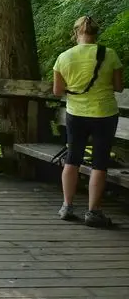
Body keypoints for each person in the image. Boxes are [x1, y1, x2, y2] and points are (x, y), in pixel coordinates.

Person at [53, 16, 124, 227]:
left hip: (76, 114)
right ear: (96, 33)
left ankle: (67, 206)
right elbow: (119, 87)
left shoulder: (64, 57)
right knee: (99, 163)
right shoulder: (109, 54)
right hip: (104, 114)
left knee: (72, 159)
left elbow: (57, 91)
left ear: (76, 33)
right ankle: (94, 212)